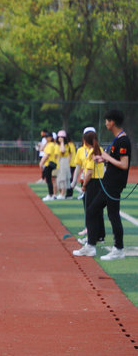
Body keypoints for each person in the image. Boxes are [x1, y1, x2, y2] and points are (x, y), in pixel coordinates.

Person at [74, 110, 131, 260]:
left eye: (107, 121)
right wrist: (104, 159)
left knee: (111, 215)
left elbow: (124, 165)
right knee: (94, 211)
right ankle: (91, 246)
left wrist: (106, 157)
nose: (105, 123)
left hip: (114, 184)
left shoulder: (123, 141)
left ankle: (117, 249)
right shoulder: (117, 139)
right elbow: (114, 161)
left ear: (112, 122)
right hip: (108, 182)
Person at [74, 127, 105, 244]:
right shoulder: (97, 149)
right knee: (97, 210)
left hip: (92, 183)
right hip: (100, 182)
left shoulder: (92, 152)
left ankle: (92, 237)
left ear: (85, 140)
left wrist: (84, 185)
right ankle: (99, 236)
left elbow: (89, 173)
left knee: (91, 211)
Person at [39, 134, 59, 201]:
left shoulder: (51, 145)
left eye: (47, 137)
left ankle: (50, 194)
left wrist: (41, 162)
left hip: (49, 164)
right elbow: (42, 150)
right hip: (50, 164)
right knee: (49, 180)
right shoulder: (50, 144)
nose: (46, 139)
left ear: (51, 138)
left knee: (49, 180)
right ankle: (51, 194)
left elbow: (47, 155)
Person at [55, 130, 71, 199]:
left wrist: (62, 142)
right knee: (58, 178)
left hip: (63, 162)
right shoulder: (56, 145)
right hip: (57, 162)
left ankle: (62, 193)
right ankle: (60, 192)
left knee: (63, 178)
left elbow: (62, 151)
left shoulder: (66, 145)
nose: (60, 138)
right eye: (59, 137)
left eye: (62, 137)